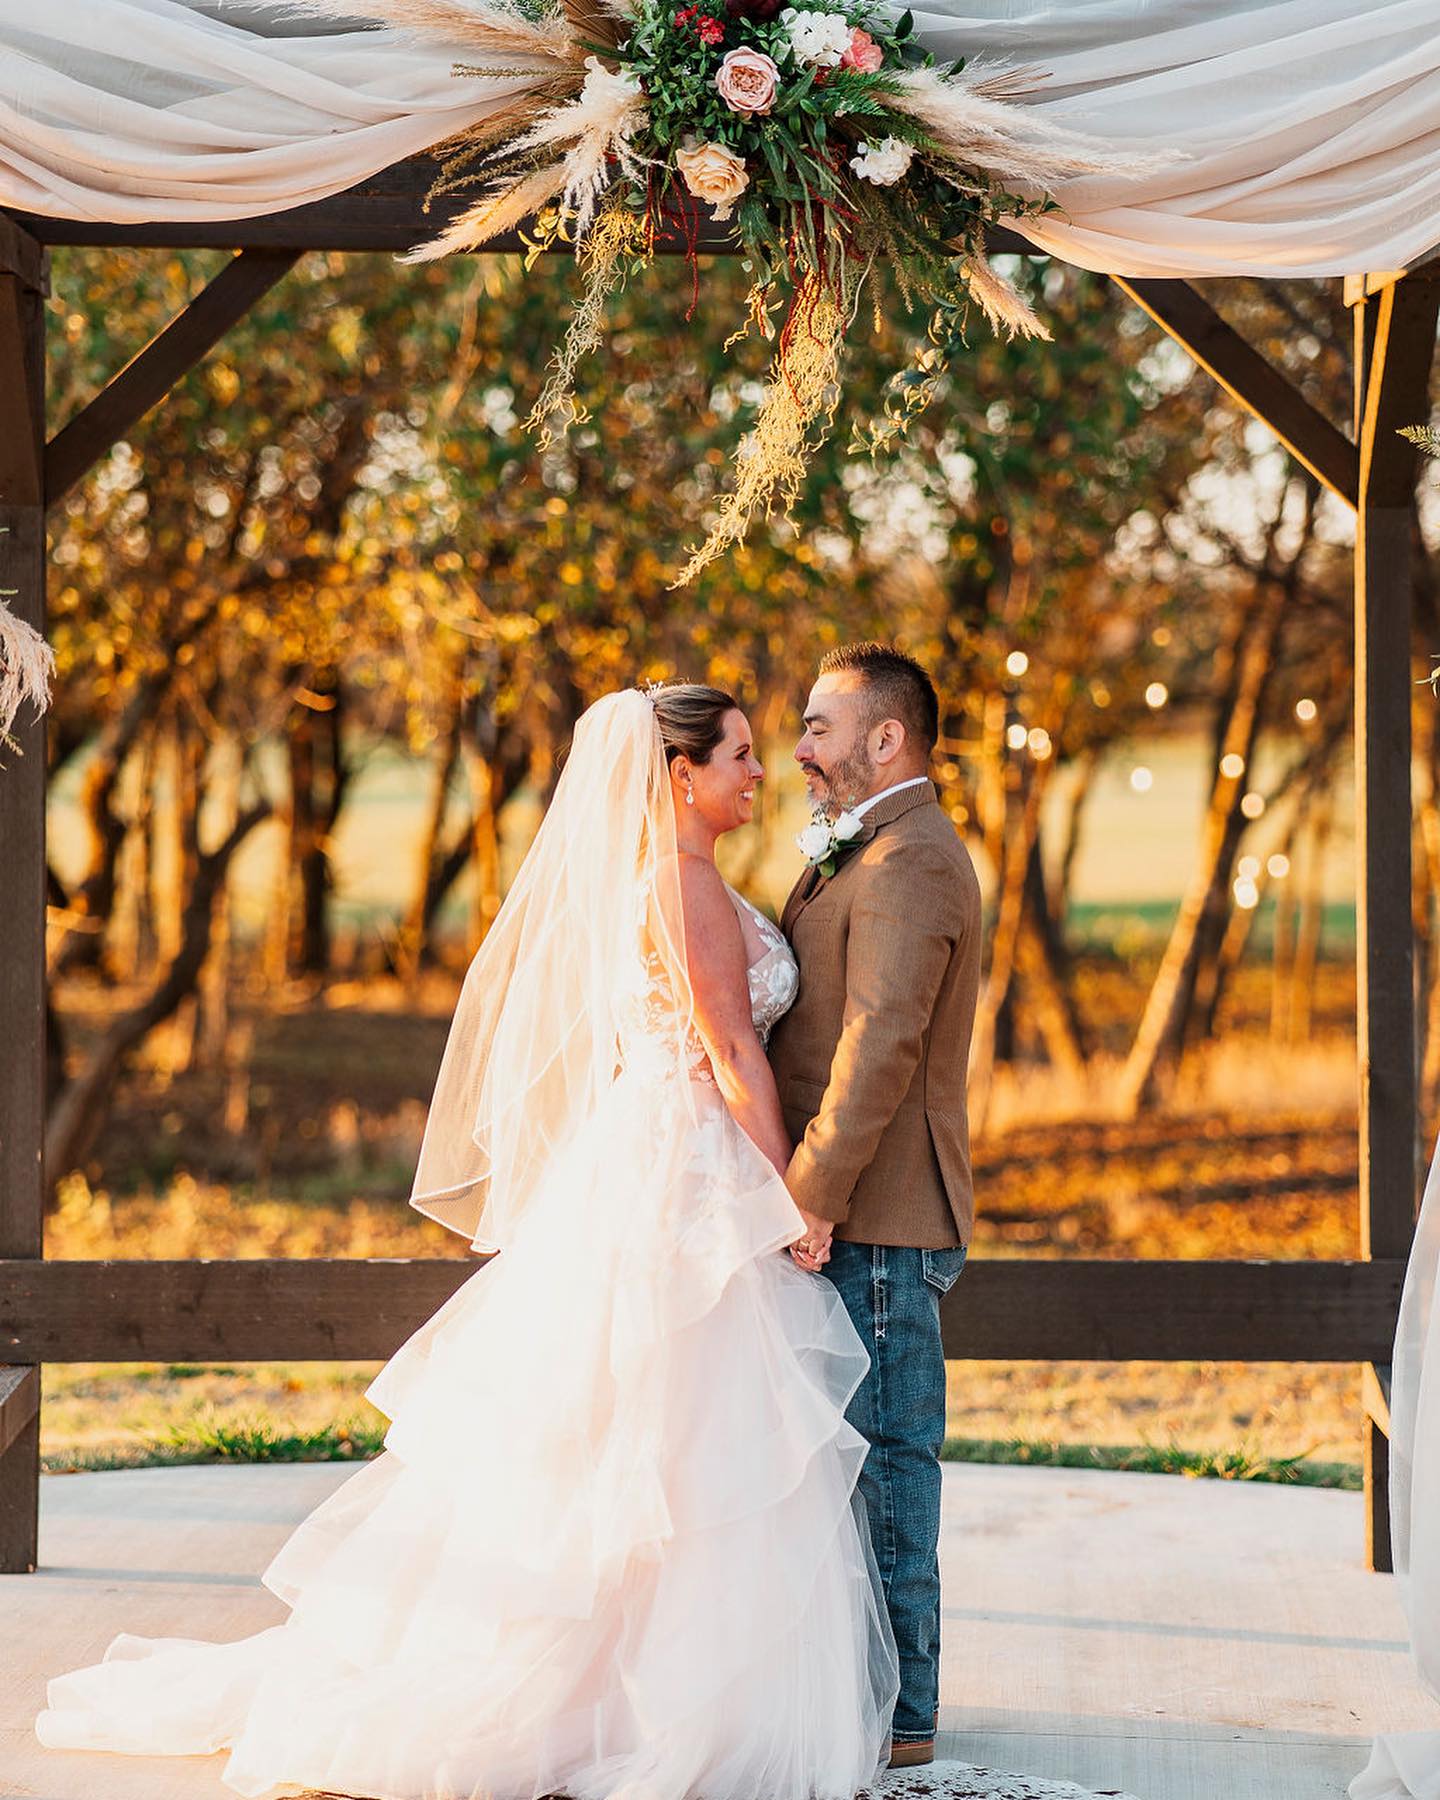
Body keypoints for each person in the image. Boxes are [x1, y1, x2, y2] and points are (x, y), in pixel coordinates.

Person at [36, 685, 899, 1800]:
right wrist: (794, 1200)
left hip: (663, 1159)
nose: (757, 769)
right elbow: (733, 1053)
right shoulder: (682, 887)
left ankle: (637, 1676)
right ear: (678, 775)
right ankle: (632, 1696)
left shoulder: (680, 879)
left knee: (658, 1434)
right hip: (687, 1170)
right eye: (736, 754)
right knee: (677, 1429)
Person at [768, 643, 983, 1771]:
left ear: (885, 738)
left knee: (892, 1467)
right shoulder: (868, 849)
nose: (802, 750)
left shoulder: (911, 861)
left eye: (819, 727)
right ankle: (868, 1691)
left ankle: (906, 1718)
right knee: (849, 1466)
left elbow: (880, 1044)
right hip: (855, 1217)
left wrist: (811, 1196)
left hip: (882, 1219)